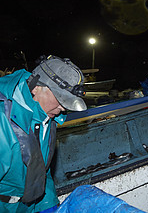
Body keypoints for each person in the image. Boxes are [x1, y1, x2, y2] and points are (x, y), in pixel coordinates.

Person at [0, 55, 87, 212]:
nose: (63, 108)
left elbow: (40, 170)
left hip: (28, 205)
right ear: (36, 87)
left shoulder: (47, 117)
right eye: (60, 99)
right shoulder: (3, 120)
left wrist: (48, 205)